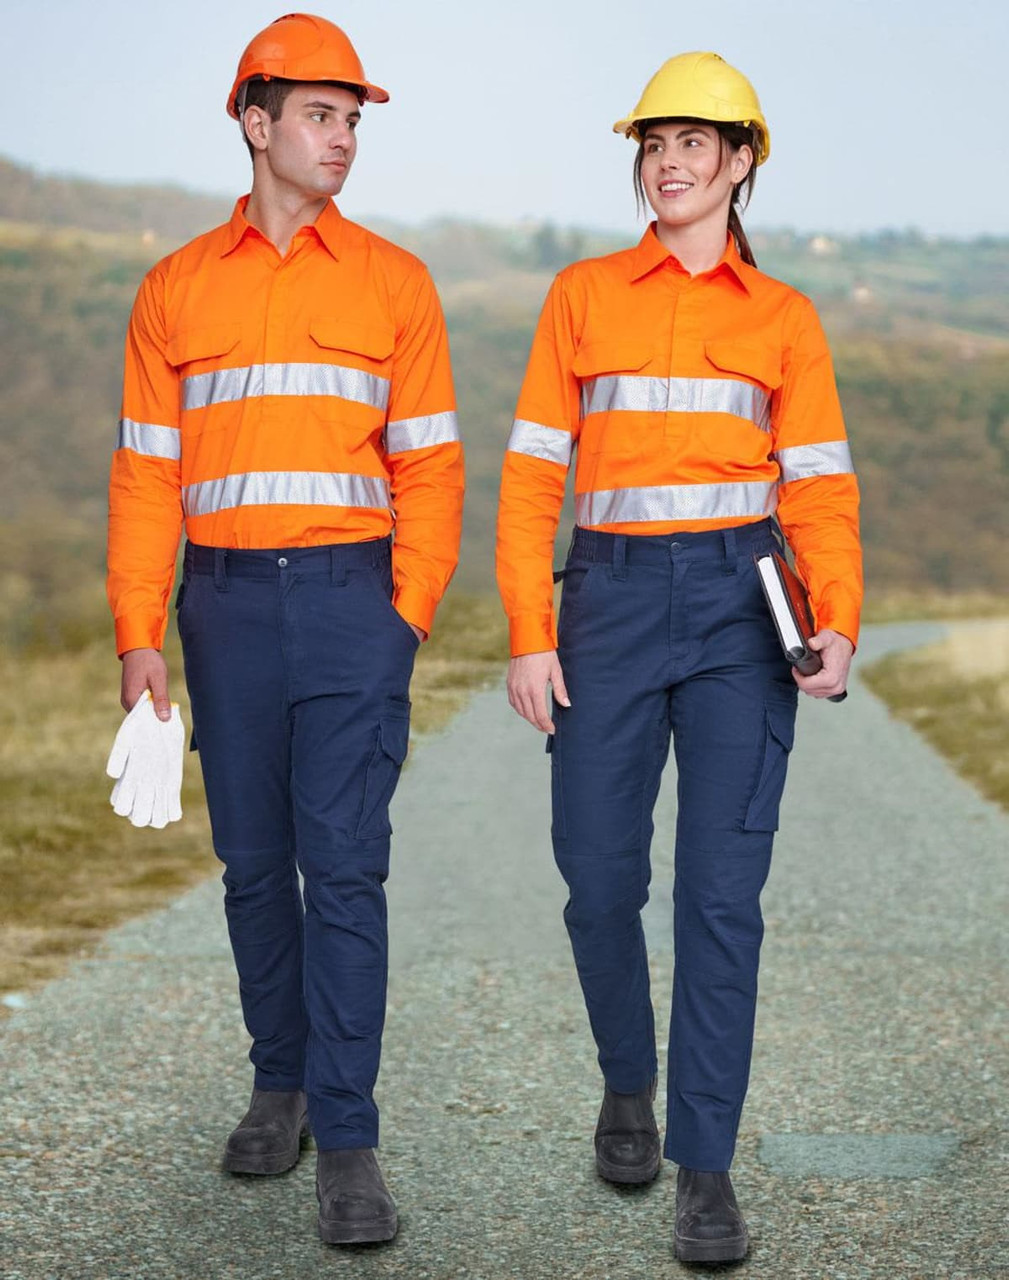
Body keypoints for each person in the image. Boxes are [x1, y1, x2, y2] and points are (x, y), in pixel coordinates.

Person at [496, 51, 860, 1263]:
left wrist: (838, 618)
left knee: (718, 897)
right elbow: (533, 473)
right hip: (601, 598)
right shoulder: (582, 294)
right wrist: (528, 630)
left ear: (742, 160)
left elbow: (816, 489)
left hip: (736, 608)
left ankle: (705, 1166)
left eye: (695, 143)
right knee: (597, 878)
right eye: (653, 143)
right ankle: (626, 1084)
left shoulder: (783, 320)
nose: (669, 162)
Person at [107, 13, 464, 1246]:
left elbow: (431, 468)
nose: (343, 138)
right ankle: (282, 1082)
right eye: (321, 115)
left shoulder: (395, 284)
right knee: (255, 868)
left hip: (352, 604)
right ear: (255, 124)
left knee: (346, 870)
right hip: (221, 608)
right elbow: (147, 473)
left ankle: (350, 1143)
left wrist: (403, 616)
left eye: (353, 119)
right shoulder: (175, 289)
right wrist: (138, 635)